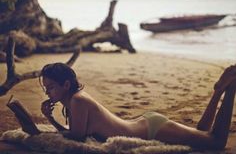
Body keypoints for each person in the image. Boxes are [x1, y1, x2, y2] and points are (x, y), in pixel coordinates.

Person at [39, 63, 236, 150]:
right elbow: (75, 133)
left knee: (215, 142)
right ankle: (217, 92)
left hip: (151, 130)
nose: (48, 92)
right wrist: (51, 120)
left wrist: (47, 127)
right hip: (146, 124)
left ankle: (229, 88)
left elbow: (77, 136)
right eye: (46, 88)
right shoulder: (74, 100)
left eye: (51, 87)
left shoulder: (77, 101)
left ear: (65, 85)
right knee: (201, 133)